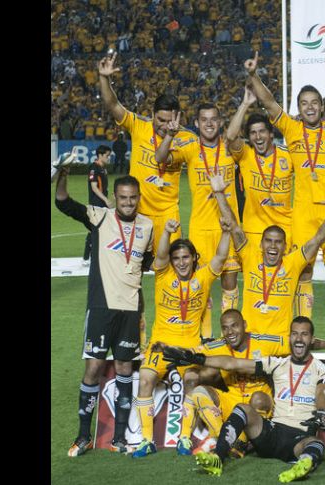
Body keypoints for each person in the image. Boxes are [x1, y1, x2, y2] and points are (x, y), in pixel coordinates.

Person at [243, 52, 325, 349]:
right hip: (302, 214)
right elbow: (268, 103)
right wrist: (253, 76)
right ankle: (300, 335)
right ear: (299, 108)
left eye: (314, 103)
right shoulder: (291, 129)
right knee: (302, 272)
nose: (310, 108)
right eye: (304, 104)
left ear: (321, 106)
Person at [162, 317, 325, 482]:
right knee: (242, 408)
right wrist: (195, 358)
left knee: (315, 443)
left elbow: (322, 393)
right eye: (294, 334)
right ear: (290, 337)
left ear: (312, 339)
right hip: (273, 434)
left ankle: (303, 464)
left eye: (304, 334)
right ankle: (218, 457)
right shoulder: (277, 364)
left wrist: (322, 412)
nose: (299, 339)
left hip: (299, 437)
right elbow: (233, 363)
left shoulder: (324, 371)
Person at [55, 169, 154, 456]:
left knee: (125, 369)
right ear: (115, 197)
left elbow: (144, 263)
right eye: (123, 197)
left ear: (138, 198)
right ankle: (83, 436)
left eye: (133, 198)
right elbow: (63, 202)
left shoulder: (147, 226)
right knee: (94, 368)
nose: (128, 202)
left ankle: (120, 438)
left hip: (130, 310)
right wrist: (61, 175)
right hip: (101, 307)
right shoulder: (100, 217)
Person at [131, 217, 230, 457]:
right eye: (177, 258)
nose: (181, 263)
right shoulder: (164, 275)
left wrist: (226, 232)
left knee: (193, 380)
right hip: (161, 345)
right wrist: (166, 232)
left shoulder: (203, 277)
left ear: (194, 258)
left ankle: (184, 438)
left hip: (190, 347)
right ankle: (146, 440)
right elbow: (161, 256)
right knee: (145, 378)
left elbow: (220, 258)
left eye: (186, 257)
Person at [209, 173, 325, 345]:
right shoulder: (250, 256)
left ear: (285, 246)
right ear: (261, 244)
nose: (273, 246)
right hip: (250, 342)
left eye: (278, 242)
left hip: (279, 345)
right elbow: (234, 227)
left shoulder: (293, 263)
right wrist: (220, 194)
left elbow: (318, 238)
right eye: (268, 241)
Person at [155, 103, 242, 341]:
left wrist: (244, 103)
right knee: (199, 286)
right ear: (196, 124)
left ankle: (229, 336)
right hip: (200, 229)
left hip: (227, 227)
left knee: (230, 283)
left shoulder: (230, 148)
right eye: (204, 120)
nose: (209, 124)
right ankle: (203, 337)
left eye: (214, 119)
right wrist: (170, 136)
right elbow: (160, 158)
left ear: (221, 122)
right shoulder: (191, 148)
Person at [97, 50, 196, 254]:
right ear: (152, 115)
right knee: (132, 268)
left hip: (168, 214)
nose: (165, 126)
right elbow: (112, 104)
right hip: (136, 210)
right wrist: (104, 78)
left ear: (178, 117)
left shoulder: (187, 138)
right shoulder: (139, 126)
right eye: (160, 120)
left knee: (171, 268)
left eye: (170, 121)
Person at [224, 85, 295, 251]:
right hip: (254, 230)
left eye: (262, 132)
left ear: (271, 134)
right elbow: (231, 136)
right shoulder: (246, 155)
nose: (258, 137)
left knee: (285, 275)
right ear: (249, 137)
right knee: (255, 275)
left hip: (285, 227)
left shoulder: (288, 155)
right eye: (253, 133)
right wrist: (244, 104)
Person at [84, 145, 112, 263]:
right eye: (107, 155)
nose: (109, 158)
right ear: (100, 155)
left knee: (102, 228)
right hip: (96, 203)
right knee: (95, 228)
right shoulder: (94, 168)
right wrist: (105, 200)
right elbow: (94, 187)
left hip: (102, 203)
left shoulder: (103, 168)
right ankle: (87, 256)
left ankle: (96, 254)